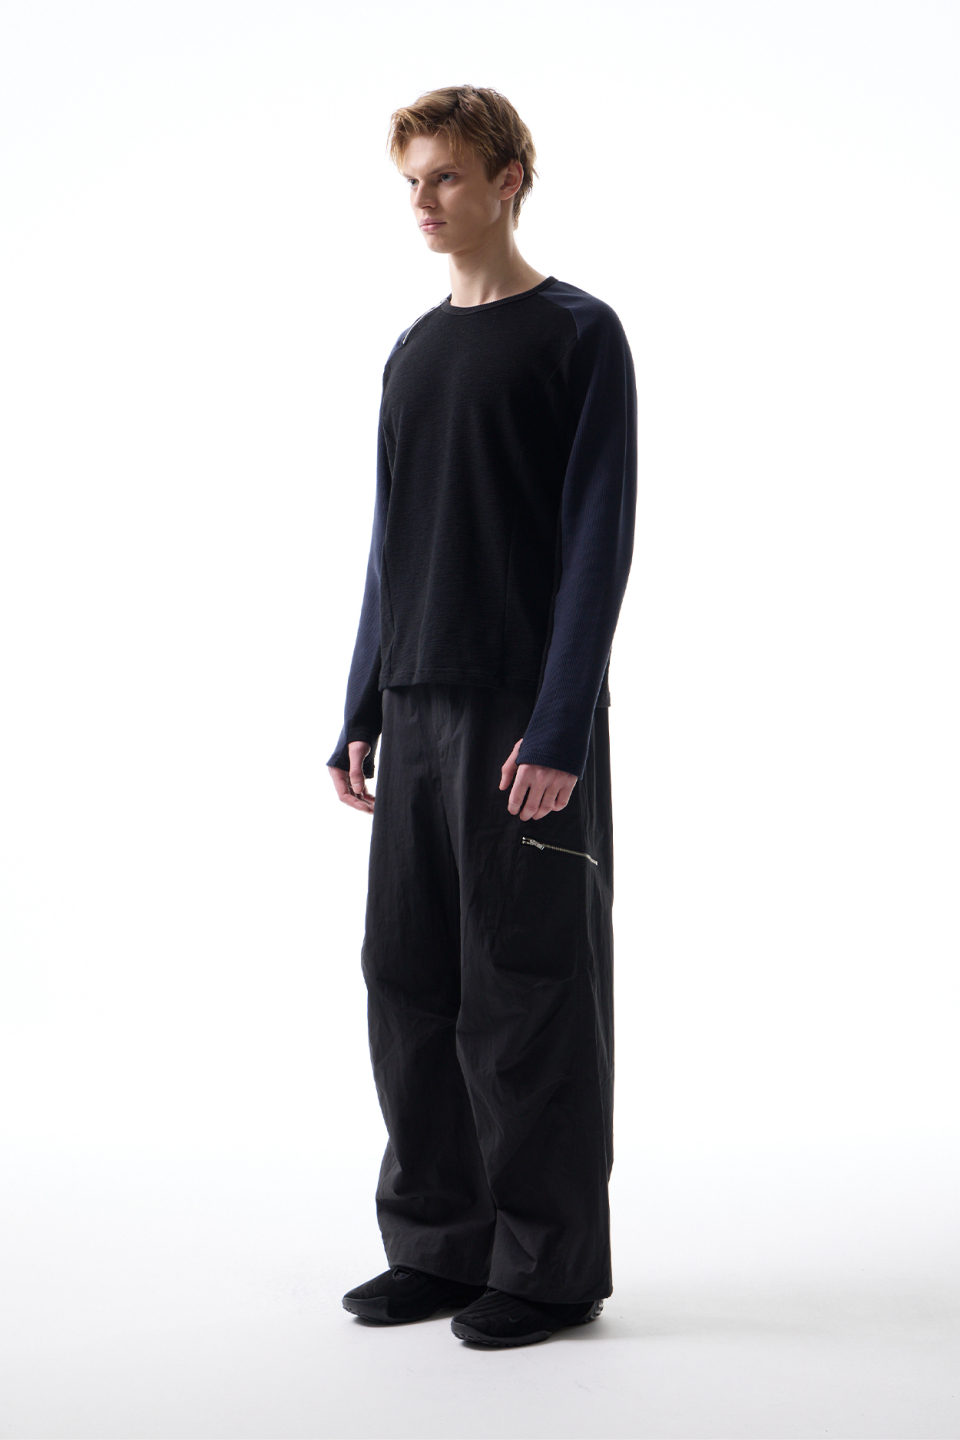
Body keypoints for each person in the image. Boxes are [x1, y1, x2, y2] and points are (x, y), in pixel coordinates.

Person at [326, 84, 637, 1348]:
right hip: (415, 703)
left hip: (522, 706)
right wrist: (360, 702)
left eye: (446, 175)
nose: (423, 200)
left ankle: (549, 1269)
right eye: (411, 179)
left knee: (529, 987)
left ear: (509, 179)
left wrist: (560, 728)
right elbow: (390, 542)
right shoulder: (414, 350)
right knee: (410, 981)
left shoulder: (579, 335)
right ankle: (440, 1247)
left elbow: (598, 541)